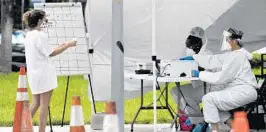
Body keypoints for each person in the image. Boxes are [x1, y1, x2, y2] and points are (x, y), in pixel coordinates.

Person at [185, 28, 258, 132]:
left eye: (227, 39)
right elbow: (213, 60)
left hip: (243, 91)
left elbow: (221, 77)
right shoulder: (232, 54)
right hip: (236, 89)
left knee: (208, 99)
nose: (225, 41)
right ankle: (234, 128)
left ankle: (215, 130)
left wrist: (200, 74)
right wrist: (195, 58)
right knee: (211, 102)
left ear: (234, 41)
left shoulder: (238, 57)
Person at [23, 10, 77, 132]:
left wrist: (61, 45)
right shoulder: (40, 36)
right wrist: (68, 45)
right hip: (44, 74)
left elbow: (46, 52)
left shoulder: (29, 35)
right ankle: (41, 130)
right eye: (44, 20)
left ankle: (23, 127)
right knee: (44, 105)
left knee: (36, 103)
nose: (45, 22)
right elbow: (51, 53)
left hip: (34, 74)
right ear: (39, 21)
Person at [171, 27, 212, 131]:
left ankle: (199, 123)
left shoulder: (207, 53)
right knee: (175, 91)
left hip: (210, 87)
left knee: (186, 96)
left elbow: (205, 66)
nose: (193, 46)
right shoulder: (191, 53)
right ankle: (194, 117)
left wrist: (195, 62)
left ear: (202, 41)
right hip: (199, 86)